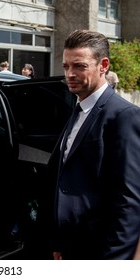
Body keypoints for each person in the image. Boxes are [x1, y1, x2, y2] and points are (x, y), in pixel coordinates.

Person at [48, 29, 140, 260]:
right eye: (66, 66)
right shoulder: (78, 109)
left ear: (103, 65)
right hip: (72, 247)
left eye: (79, 66)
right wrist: (60, 242)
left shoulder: (124, 116)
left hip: (100, 251)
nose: (70, 73)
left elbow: (129, 200)